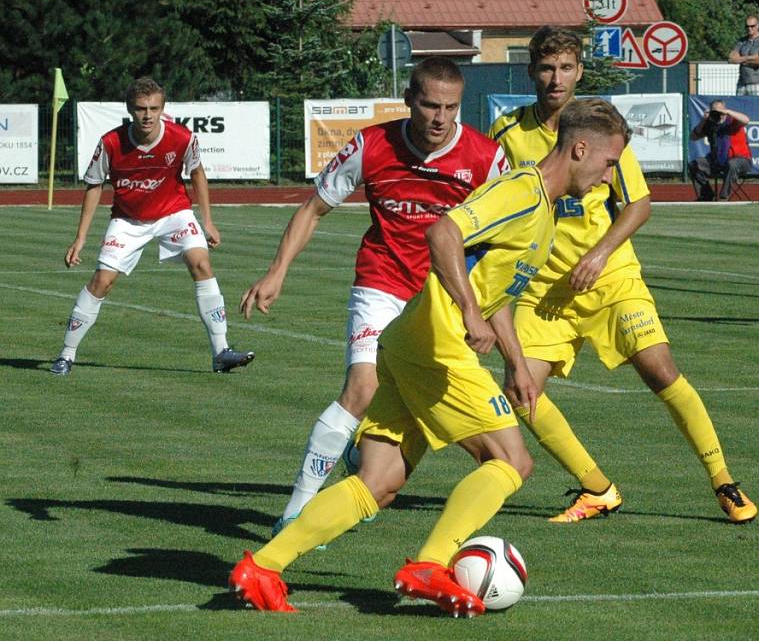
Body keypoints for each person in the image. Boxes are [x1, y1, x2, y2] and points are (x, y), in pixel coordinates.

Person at [229, 98, 630, 615]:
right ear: (580, 149)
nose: (608, 176)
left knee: (378, 483)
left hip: (409, 340)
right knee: (511, 461)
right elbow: (443, 232)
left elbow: (496, 294)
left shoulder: (544, 213)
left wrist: (512, 359)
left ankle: (264, 566)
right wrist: (467, 312)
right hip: (435, 344)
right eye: (609, 163)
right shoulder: (522, 193)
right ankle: (431, 562)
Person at [489, 26, 757, 524]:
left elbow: (638, 203)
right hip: (545, 290)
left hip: (611, 277)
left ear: (579, 71)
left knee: (661, 370)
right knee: (521, 391)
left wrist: (599, 253)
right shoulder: (506, 133)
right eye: (546, 68)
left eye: (566, 67)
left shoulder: (598, 126)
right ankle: (597, 488)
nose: (555, 78)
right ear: (531, 70)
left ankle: (724, 481)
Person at [239, 57, 508, 537]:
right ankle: (294, 515)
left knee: (422, 415)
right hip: (381, 284)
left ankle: (361, 452)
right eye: (429, 105)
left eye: (450, 107)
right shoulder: (371, 144)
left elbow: (503, 243)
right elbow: (313, 208)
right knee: (361, 388)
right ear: (409, 100)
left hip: (443, 300)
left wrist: (480, 310)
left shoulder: (487, 158)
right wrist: (276, 272)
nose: (440, 117)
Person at [50, 77, 254, 375]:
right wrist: (80, 238)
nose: (148, 115)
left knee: (201, 263)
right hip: (128, 220)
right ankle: (66, 355)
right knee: (102, 281)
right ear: (130, 109)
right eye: (141, 108)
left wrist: (207, 220)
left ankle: (221, 352)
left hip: (174, 212)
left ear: (163, 108)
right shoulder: (110, 143)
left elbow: (197, 173)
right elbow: (94, 186)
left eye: (154, 108)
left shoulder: (181, 137)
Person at [689, 99, 752, 201]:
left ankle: (724, 197)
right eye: (715, 110)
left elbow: (746, 120)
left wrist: (727, 112)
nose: (719, 113)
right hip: (717, 160)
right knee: (694, 165)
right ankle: (706, 195)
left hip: (741, 159)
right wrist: (703, 120)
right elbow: (693, 137)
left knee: (732, 164)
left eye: (720, 110)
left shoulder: (732, 121)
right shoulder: (710, 124)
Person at [729, 16, 759, 96]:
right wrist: (749, 57)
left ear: (757, 25)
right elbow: (731, 59)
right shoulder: (741, 41)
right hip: (742, 83)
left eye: (752, 26)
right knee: (739, 108)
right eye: (747, 26)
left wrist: (741, 60)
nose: (749, 28)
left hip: (758, 84)